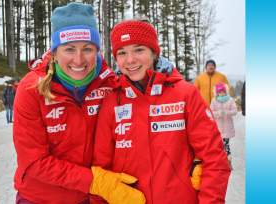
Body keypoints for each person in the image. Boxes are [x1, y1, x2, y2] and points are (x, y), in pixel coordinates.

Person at [13, 3, 145, 204]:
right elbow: (33, 162)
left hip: (91, 199)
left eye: (87, 49)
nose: (78, 59)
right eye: (69, 49)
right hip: (40, 198)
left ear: (98, 51)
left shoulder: (110, 84)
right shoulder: (31, 89)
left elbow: (153, 111)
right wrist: (95, 181)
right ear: (55, 52)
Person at [93, 19, 230, 204]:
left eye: (139, 50)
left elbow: (215, 159)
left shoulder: (185, 94)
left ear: (154, 52)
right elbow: (101, 171)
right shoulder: (111, 101)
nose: (130, 59)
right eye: (122, 52)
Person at [210, 83, 237, 169]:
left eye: (223, 91)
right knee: (218, 145)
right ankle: (219, 163)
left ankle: (228, 162)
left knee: (226, 145)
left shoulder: (230, 100)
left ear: (225, 91)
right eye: (220, 92)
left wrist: (226, 112)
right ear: (217, 92)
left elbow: (235, 111)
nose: (221, 93)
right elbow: (211, 112)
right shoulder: (214, 100)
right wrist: (218, 113)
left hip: (227, 127)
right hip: (218, 128)